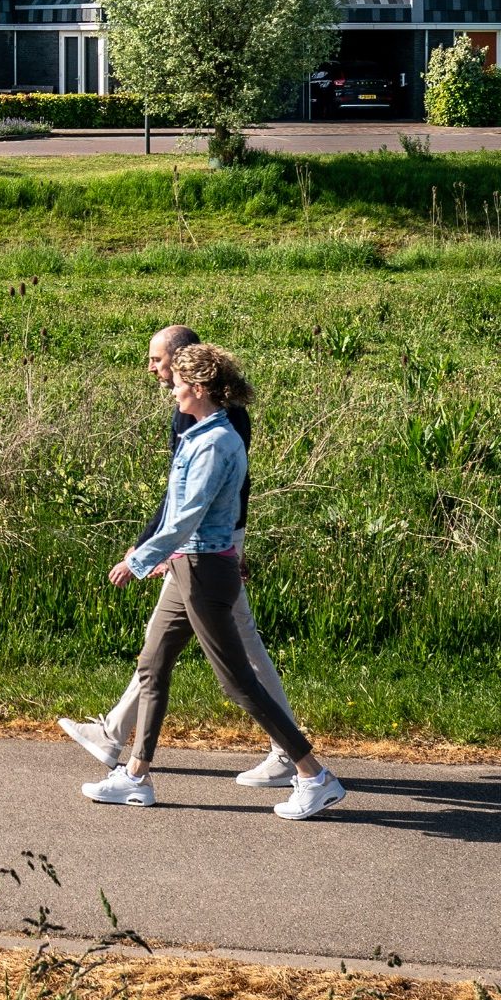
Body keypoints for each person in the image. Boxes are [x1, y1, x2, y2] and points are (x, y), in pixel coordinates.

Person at [79, 343, 344, 820]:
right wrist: (168, 556)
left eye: (179, 383)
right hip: (189, 567)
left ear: (198, 388)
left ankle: (314, 775)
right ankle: (135, 777)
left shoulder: (217, 443)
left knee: (238, 682)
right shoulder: (201, 434)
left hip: (202, 572)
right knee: (153, 664)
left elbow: (187, 517)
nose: (173, 391)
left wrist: (140, 560)